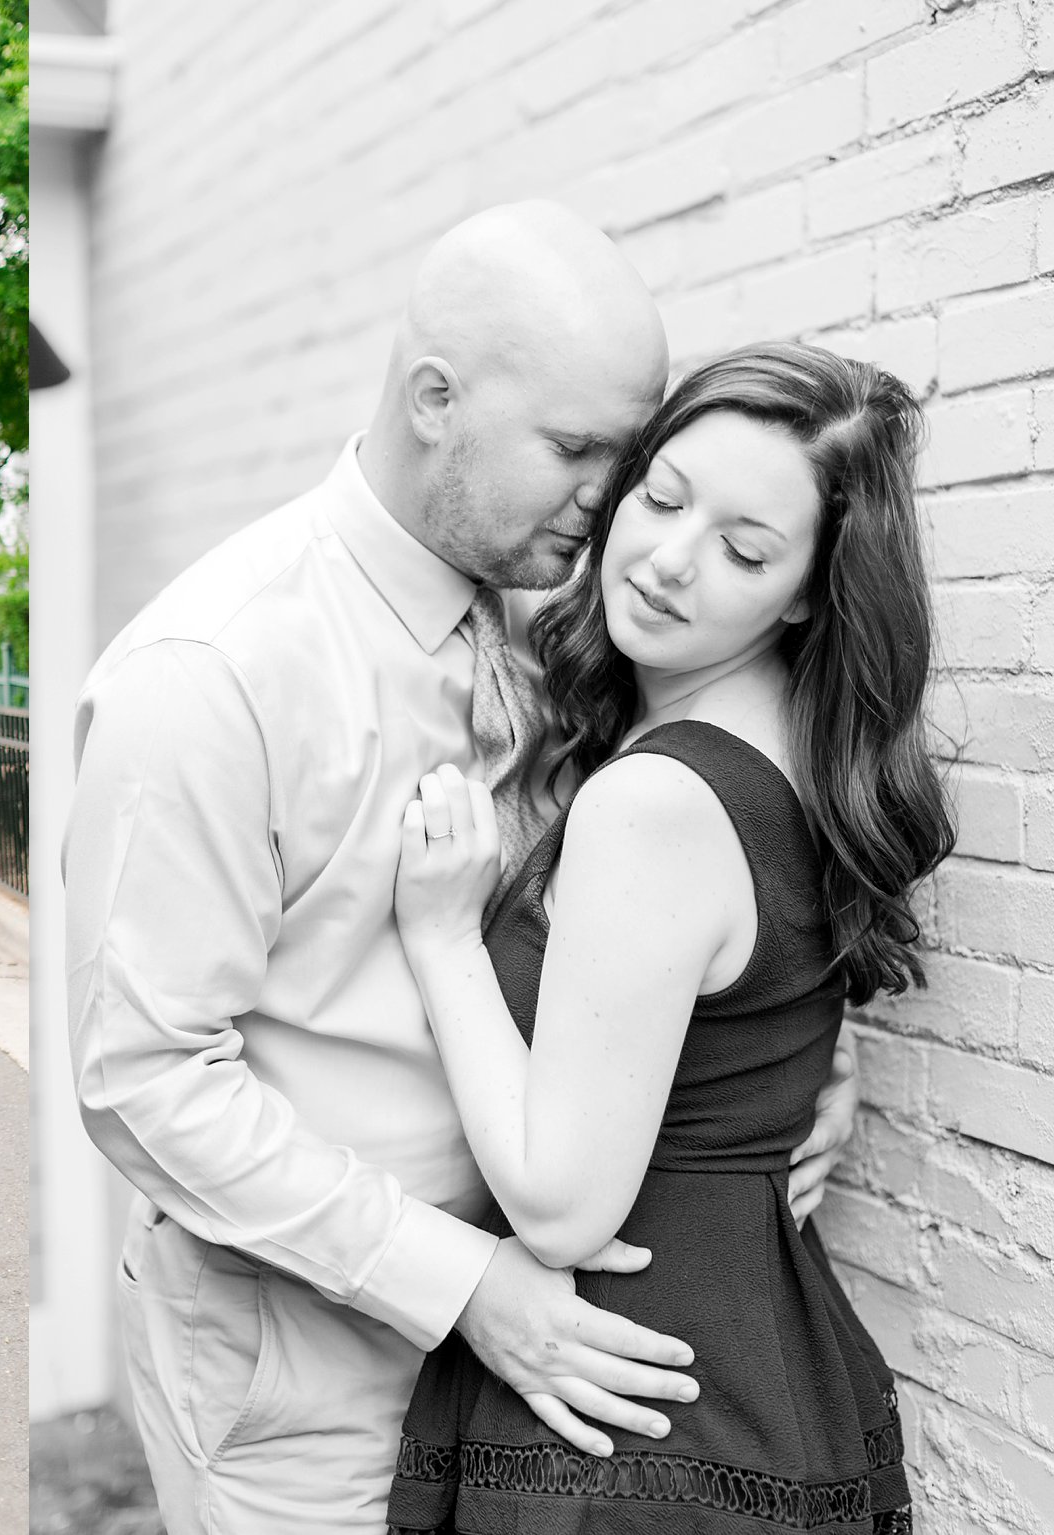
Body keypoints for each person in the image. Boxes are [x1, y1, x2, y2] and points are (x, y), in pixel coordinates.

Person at [64, 202, 860, 1532]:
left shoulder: (549, 626)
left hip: (511, 1355)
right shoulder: (212, 675)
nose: (615, 501)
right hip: (303, 1369)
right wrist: (463, 1282)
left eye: (635, 451)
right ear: (437, 399)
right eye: (576, 449)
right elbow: (141, 1076)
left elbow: (666, 909)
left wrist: (797, 1052)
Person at [385, 344, 945, 1533]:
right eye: (660, 495)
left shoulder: (655, 804)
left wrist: (440, 938)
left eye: (744, 549)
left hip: (626, 1424)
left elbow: (558, 1204)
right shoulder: (795, 755)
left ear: (803, 590)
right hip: (746, 1379)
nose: (665, 560)